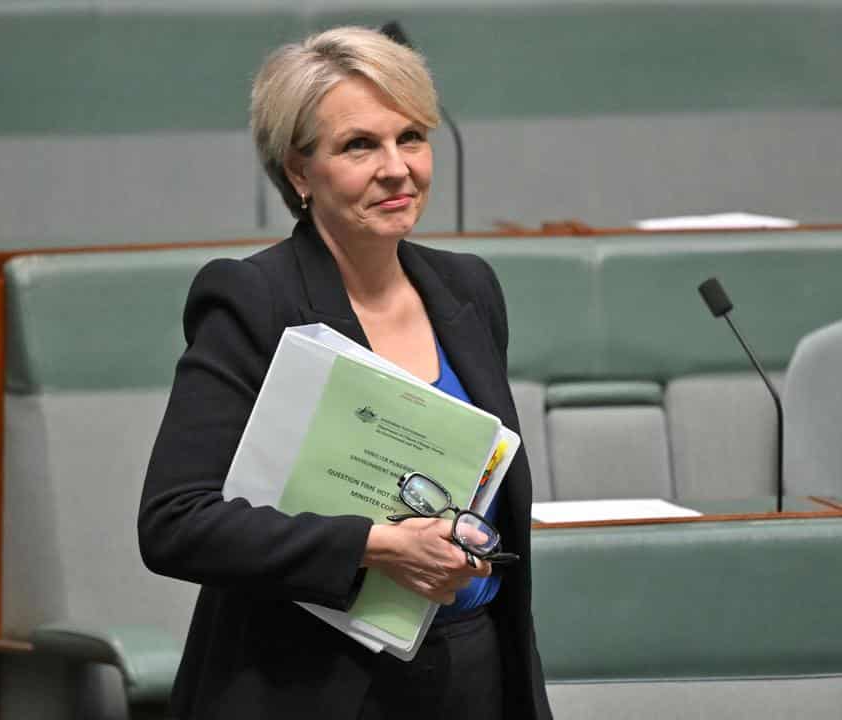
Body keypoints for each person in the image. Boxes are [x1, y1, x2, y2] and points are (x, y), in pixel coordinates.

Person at [138, 26, 551, 720]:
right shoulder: (254, 300)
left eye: (411, 137)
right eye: (360, 145)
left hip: (473, 671)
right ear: (299, 173)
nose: (398, 168)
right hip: (309, 686)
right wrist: (377, 546)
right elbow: (177, 523)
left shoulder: (470, 289)